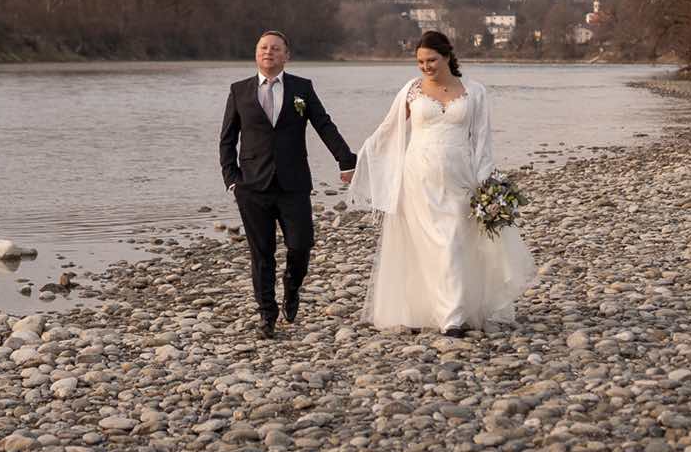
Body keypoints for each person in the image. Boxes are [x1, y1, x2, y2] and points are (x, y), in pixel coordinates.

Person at [347, 30, 536, 336]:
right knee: (428, 246)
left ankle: (455, 311)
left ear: (447, 55)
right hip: (417, 179)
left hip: (460, 178)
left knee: (456, 243)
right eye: (420, 62)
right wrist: (359, 161)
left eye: (431, 60)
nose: (426, 67)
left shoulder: (474, 92)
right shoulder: (410, 91)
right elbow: (387, 130)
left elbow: (483, 141)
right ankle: (447, 318)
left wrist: (485, 184)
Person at [219, 30, 357, 339]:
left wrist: (346, 159)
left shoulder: (301, 88)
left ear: (286, 55)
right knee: (261, 253)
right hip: (252, 187)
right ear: (256, 54)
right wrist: (232, 181)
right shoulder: (239, 90)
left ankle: (292, 287)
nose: (268, 52)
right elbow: (227, 139)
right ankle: (267, 315)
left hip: (293, 184)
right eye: (263, 47)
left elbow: (324, 124)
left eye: (275, 48)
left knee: (301, 245)